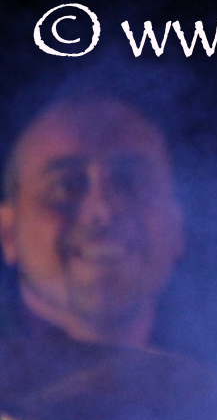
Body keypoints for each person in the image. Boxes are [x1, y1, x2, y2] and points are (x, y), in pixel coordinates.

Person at [0, 95, 183, 347]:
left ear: (177, 227)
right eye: (66, 186)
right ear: (8, 232)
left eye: (131, 183)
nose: (103, 211)